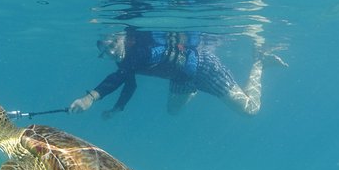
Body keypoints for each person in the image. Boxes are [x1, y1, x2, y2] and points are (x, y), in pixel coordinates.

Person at [69, 27, 286, 118]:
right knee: (172, 111)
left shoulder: (141, 51)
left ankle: (260, 62)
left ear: (123, 38)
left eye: (112, 45)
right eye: (105, 52)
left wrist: (90, 98)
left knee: (250, 110)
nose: (111, 52)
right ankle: (192, 89)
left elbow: (119, 77)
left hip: (204, 68)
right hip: (182, 76)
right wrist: (118, 108)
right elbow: (129, 82)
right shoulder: (126, 60)